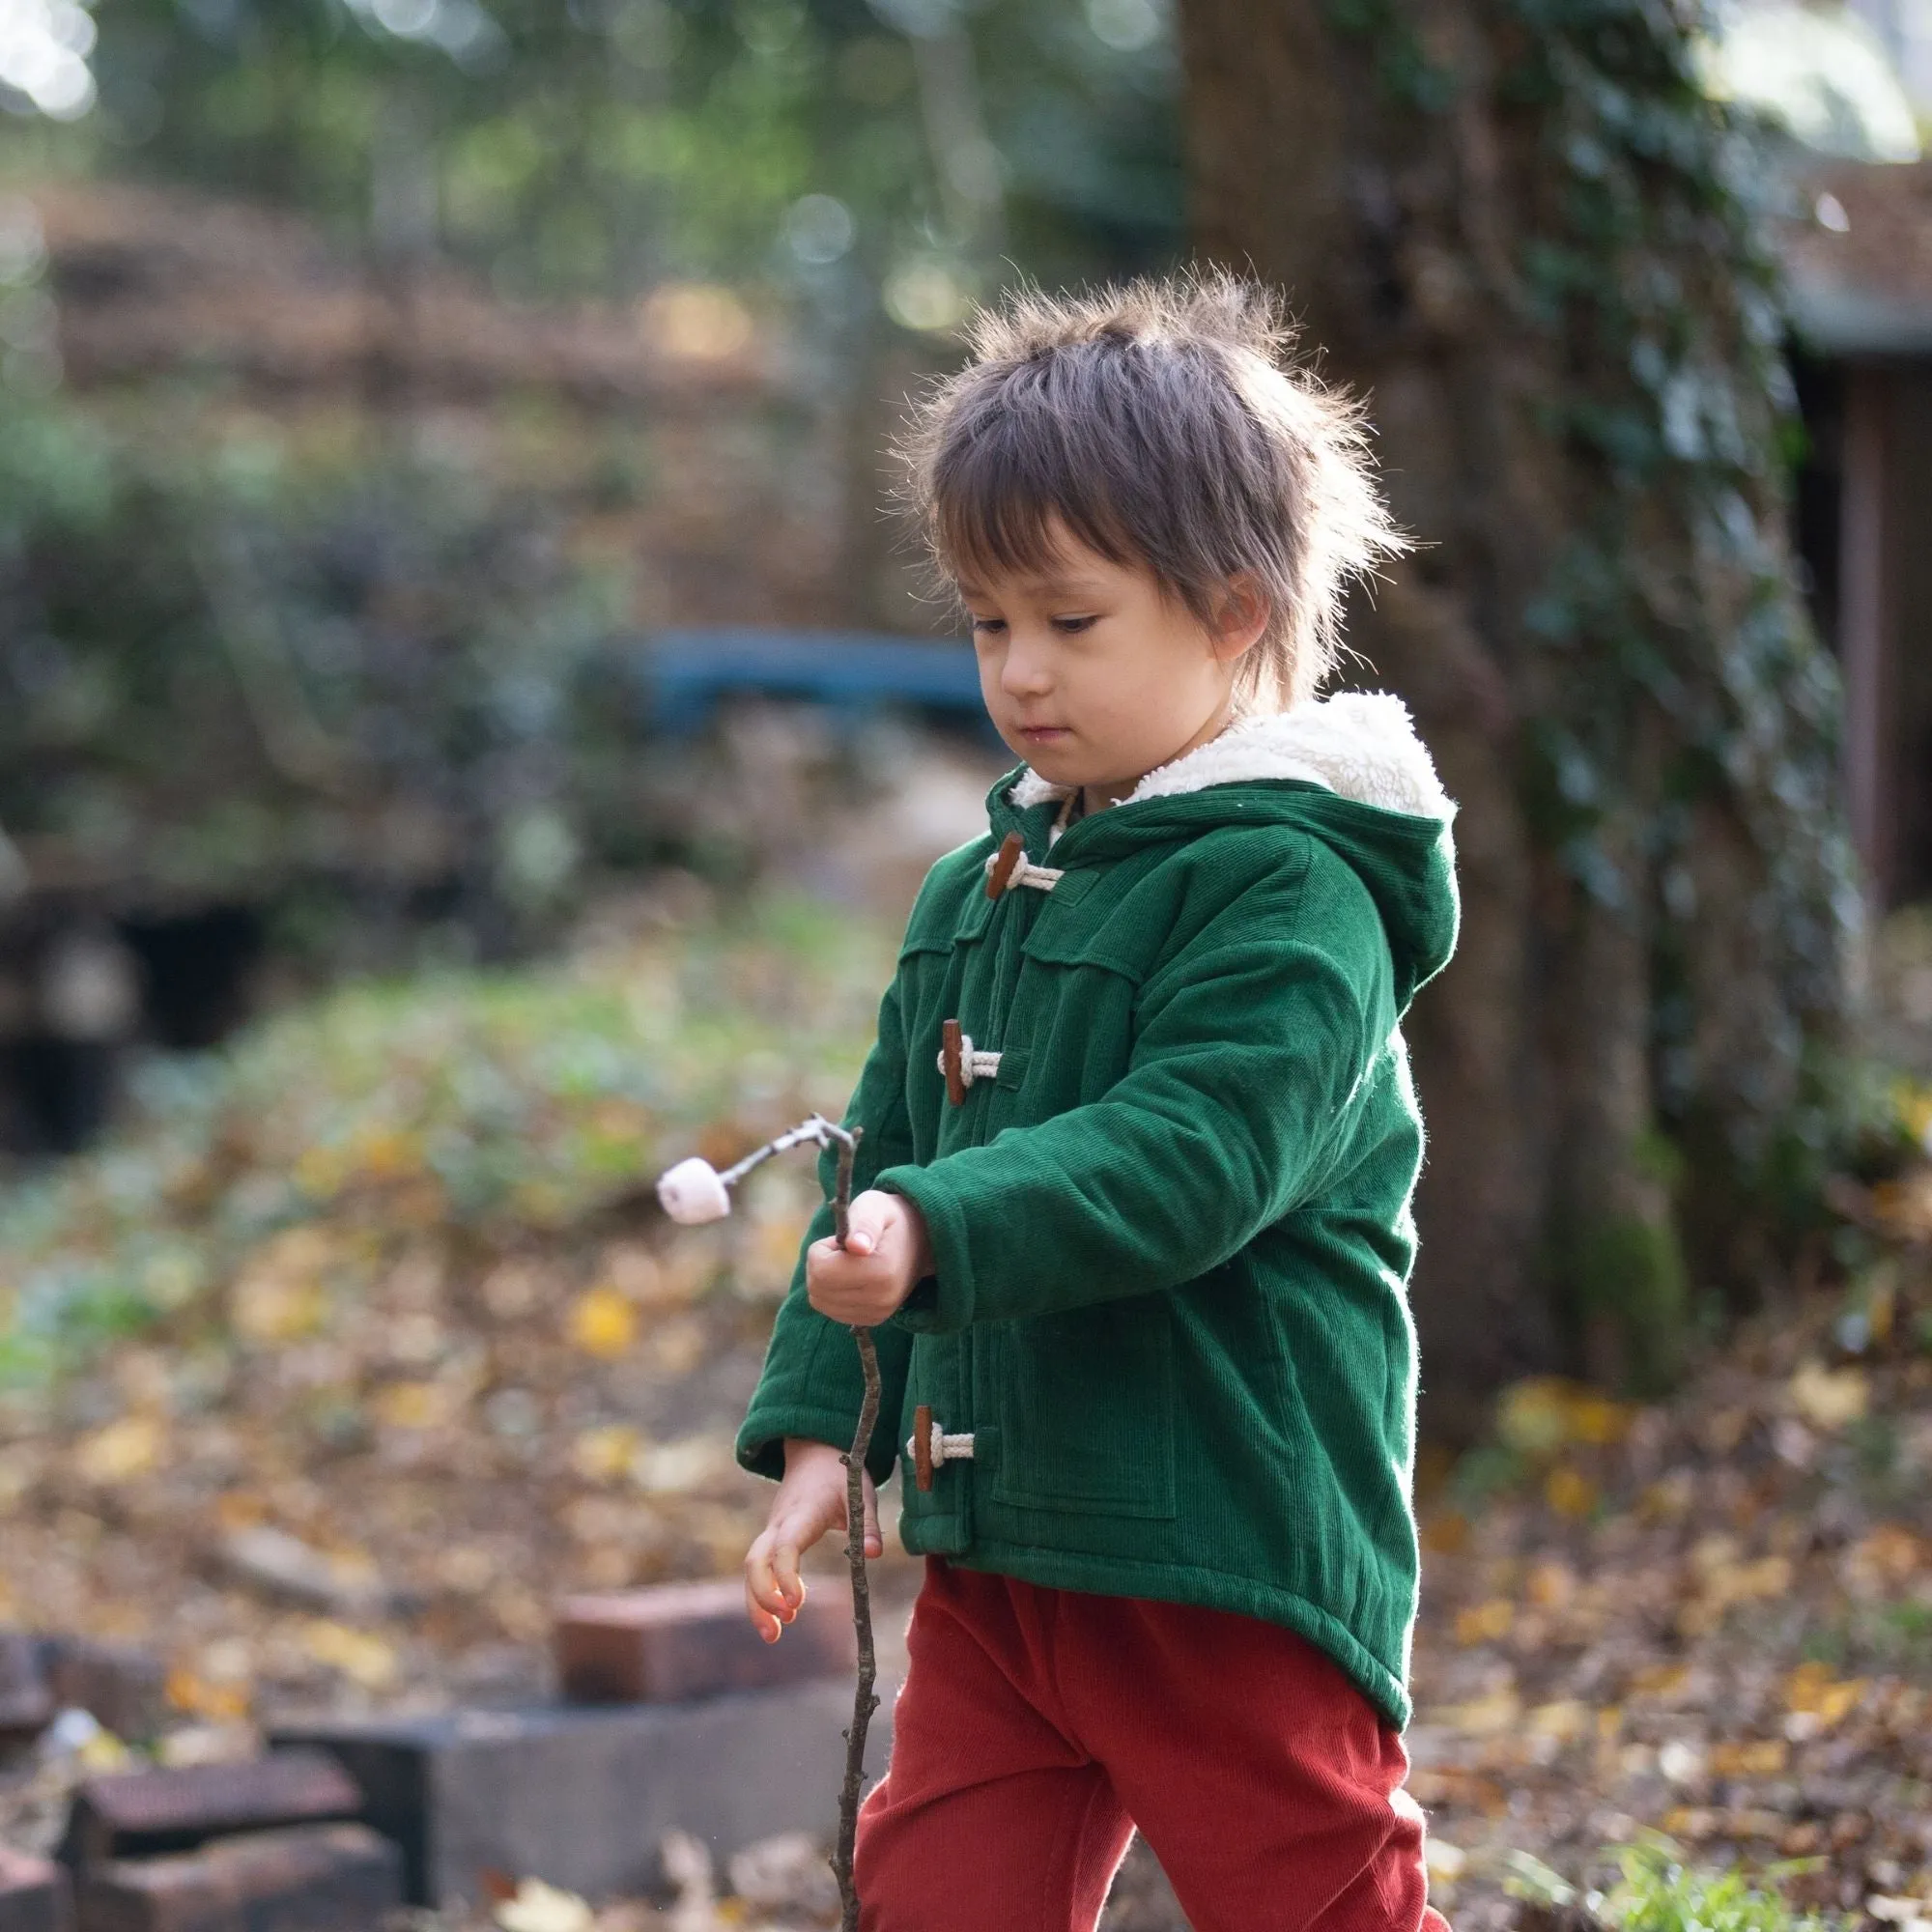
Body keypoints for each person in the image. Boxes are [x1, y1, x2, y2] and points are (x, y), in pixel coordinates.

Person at [733, 270, 1458, 1932]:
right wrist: (823, 1433)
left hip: (1224, 1542)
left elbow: (1195, 1157)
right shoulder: (978, 889)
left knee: (1319, 1901)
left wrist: (934, 1227)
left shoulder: (1292, 891)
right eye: (990, 622)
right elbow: (881, 1156)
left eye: (1072, 620)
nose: (1020, 672)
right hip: (1005, 1549)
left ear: (1232, 611)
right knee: (940, 1897)